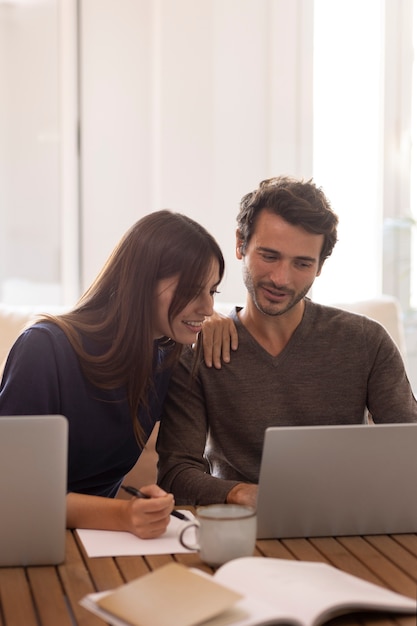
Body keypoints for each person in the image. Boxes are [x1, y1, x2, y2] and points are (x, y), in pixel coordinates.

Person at [156, 176, 417, 509]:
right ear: (240, 244)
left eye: (302, 263)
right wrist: (241, 493)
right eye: (269, 256)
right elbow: (175, 474)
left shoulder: (366, 342)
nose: (281, 278)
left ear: (320, 266)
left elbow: (409, 450)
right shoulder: (199, 348)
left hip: (347, 522)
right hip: (241, 525)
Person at [0, 210, 224, 539]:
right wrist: (123, 515)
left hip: (98, 539)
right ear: (143, 282)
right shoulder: (44, 349)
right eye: (193, 290)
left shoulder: (166, 359)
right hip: (27, 537)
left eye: (213, 291)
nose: (207, 308)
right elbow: (14, 492)